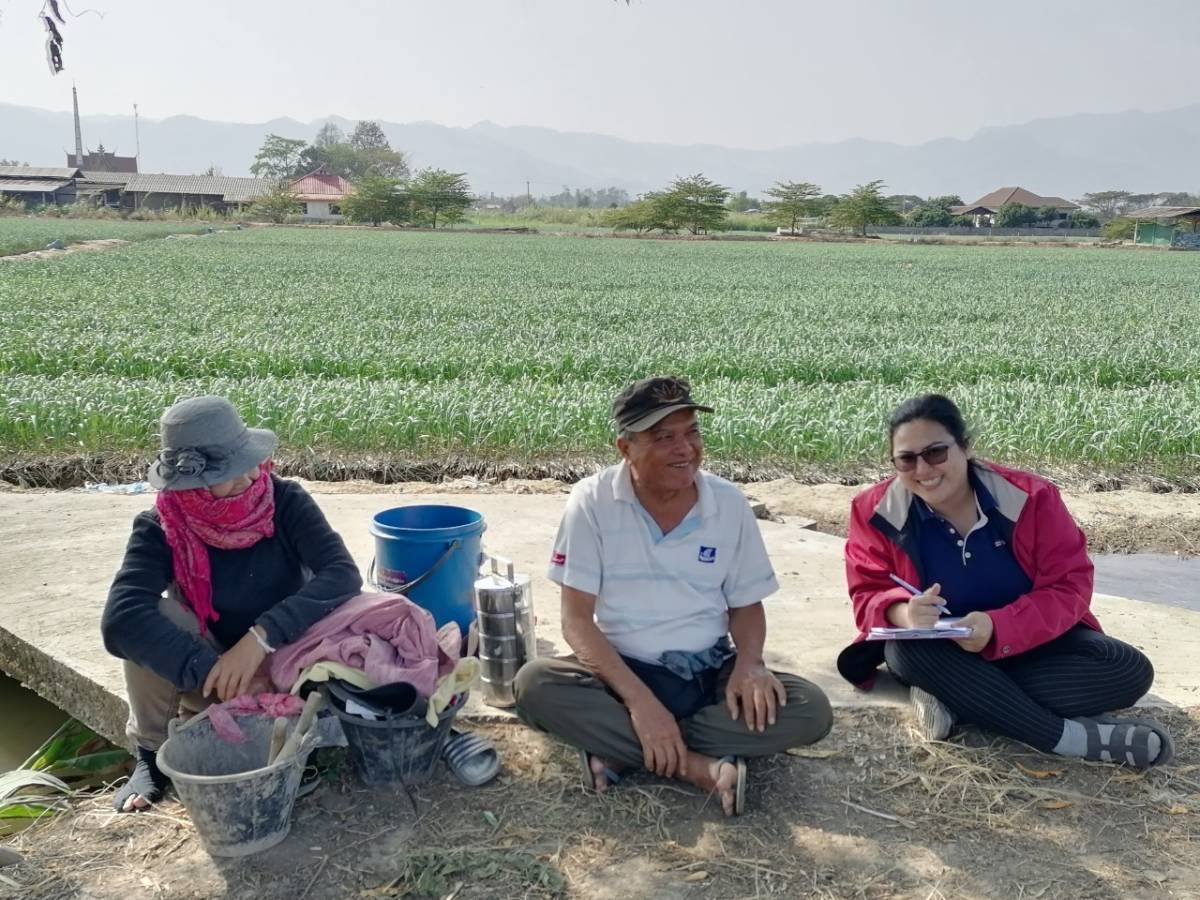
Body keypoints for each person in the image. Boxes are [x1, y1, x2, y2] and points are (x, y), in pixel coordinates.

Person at [514, 376, 832, 816]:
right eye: (665, 438)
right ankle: (696, 766)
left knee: (810, 710)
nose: (686, 449)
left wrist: (750, 663)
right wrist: (641, 704)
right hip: (619, 675)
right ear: (625, 449)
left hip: (706, 671)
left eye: (692, 433)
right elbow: (577, 622)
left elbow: (745, 603)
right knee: (534, 685)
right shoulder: (591, 502)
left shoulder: (728, 504)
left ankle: (626, 748)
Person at [838, 393, 1172, 768]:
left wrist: (998, 628)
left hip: (1027, 644)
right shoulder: (874, 511)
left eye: (935, 453)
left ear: (965, 447)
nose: (923, 469)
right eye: (906, 459)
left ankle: (957, 697)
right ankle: (1068, 739)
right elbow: (866, 593)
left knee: (1127, 669)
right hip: (937, 649)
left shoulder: (1032, 498)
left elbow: (1070, 587)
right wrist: (904, 614)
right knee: (905, 652)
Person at [102, 396, 362, 812]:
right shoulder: (160, 527)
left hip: (291, 659)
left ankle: (292, 735)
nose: (250, 475)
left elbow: (341, 574)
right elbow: (121, 619)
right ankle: (151, 754)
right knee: (152, 619)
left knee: (361, 618)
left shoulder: (285, 501)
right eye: (228, 472)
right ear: (192, 485)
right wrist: (220, 674)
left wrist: (261, 639)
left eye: (250, 461)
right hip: (216, 679)